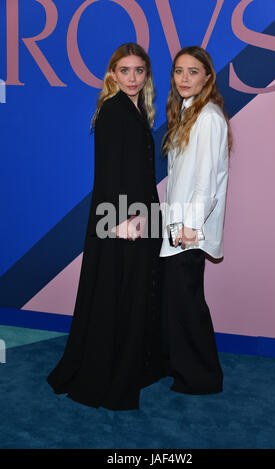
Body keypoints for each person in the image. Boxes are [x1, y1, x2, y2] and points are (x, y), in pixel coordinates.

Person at [46, 43, 166, 410]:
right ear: (112, 74)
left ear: (146, 75)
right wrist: (123, 221)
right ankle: (112, 373)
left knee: (128, 293)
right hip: (124, 219)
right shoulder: (114, 110)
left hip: (135, 214)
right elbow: (111, 172)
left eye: (139, 71)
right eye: (124, 70)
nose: (132, 78)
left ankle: (128, 364)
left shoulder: (134, 109)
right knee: (120, 293)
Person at [159, 46, 231, 395]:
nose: (184, 78)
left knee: (187, 303)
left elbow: (206, 181)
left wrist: (188, 228)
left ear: (207, 77)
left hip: (187, 230)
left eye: (192, 71)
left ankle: (201, 377)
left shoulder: (209, 118)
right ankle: (185, 370)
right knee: (182, 301)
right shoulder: (188, 113)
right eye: (178, 71)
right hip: (177, 225)